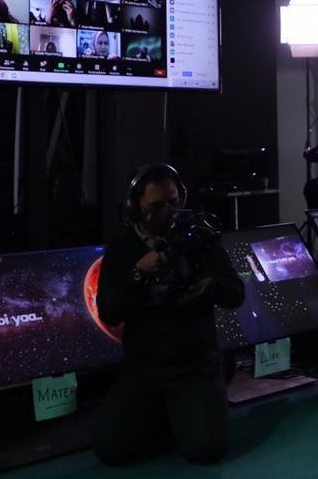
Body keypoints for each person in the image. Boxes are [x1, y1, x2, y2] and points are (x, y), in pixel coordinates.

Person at [94, 164, 243, 466]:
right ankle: (169, 417)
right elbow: (109, 312)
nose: (168, 212)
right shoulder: (123, 248)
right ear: (136, 207)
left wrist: (210, 285)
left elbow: (235, 294)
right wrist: (139, 272)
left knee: (206, 450)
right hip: (144, 366)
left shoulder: (199, 238)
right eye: (156, 206)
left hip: (194, 363)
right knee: (111, 450)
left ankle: (186, 413)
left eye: (173, 202)